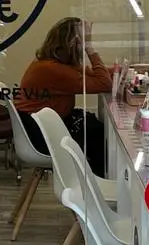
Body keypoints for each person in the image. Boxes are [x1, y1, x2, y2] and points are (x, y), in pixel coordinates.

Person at [15, 17, 112, 177]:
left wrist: (127, 70)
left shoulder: (52, 64)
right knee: (98, 135)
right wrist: (90, 49)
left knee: (95, 127)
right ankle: (99, 188)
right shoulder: (52, 70)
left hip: (47, 124)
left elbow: (99, 75)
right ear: (72, 44)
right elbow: (104, 83)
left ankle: (99, 184)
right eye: (82, 41)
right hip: (41, 136)